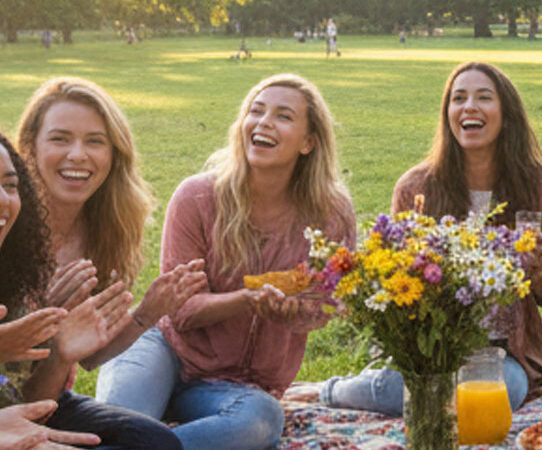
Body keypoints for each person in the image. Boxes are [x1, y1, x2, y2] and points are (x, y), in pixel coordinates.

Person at [95, 74, 356, 450]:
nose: (264, 122)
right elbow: (180, 313)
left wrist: (290, 313)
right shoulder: (197, 197)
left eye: (283, 116)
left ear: (309, 142)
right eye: (256, 110)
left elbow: (326, 305)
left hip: (238, 389)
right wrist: (246, 300)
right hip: (164, 351)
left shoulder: (331, 213)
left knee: (261, 421)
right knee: (117, 421)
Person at [300, 62, 542, 416]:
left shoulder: (541, 186)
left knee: (503, 392)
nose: (468, 106)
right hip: (431, 346)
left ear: (507, 113)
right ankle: (337, 391)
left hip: (499, 354)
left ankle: (367, 390)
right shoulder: (416, 187)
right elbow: (398, 285)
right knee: (429, 390)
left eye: (483, 97)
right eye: (458, 98)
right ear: (448, 113)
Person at [15, 77, 207, 374]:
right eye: (60, 139)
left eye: (95, 141)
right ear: (30, 147)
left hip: (51, 397)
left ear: (114, 154)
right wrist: (43, 319)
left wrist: (147, 313)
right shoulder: (8, 221)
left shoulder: (108, 230)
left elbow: (89, 357)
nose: (78, 154)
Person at [0, 131, 178, 449]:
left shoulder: (14, 268)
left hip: (20, 412)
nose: (3, 199)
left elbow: (30, 406)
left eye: (9, 185)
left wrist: (59, 353)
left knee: (157, 442)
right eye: (59, 138)